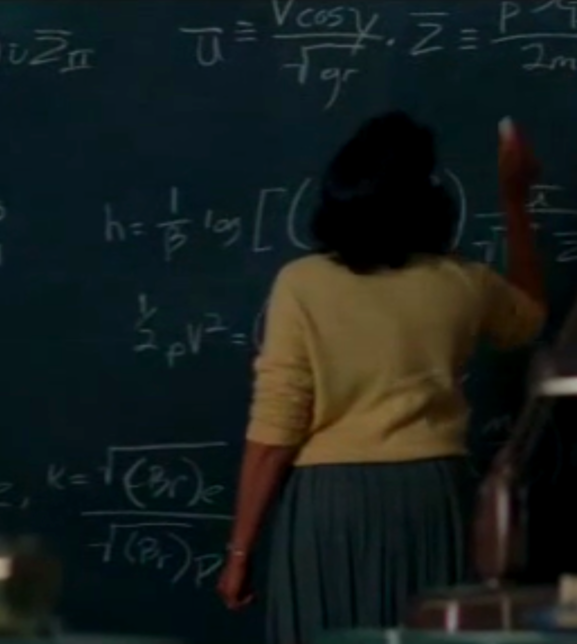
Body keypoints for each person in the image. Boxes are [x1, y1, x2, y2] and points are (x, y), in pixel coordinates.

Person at [216, 111, 547, 644]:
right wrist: (515, 200)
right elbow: (529, 317)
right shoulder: (462, 282)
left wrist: (239, 554)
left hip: (331, 507)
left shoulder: (302, 285)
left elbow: (274, 436)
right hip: (434, 497)